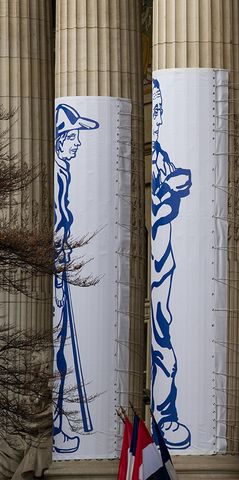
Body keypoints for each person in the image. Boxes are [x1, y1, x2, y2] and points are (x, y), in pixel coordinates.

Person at [53, 103, 99, 454]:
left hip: (61, 272)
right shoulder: (58, 174)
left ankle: (57, 421)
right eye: (73, 136)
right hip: (56, 277)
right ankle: (55, 423)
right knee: (58, 351)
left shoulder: (64, 172)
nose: (78, 143)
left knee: (61, 351)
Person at [150, 79, 192, 449]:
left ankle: (167, 415)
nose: (158, 116)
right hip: (159, 262)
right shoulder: (158, 156)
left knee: (168, 330)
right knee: (163, 336)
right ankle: (166, 416)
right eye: (157, 109)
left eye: (160, 110)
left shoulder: (162, 154)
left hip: (168, 259)